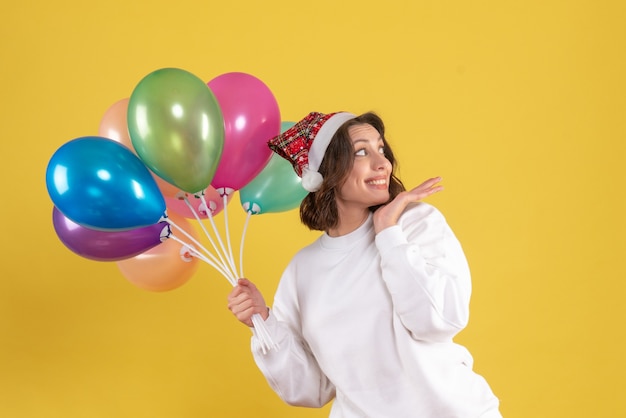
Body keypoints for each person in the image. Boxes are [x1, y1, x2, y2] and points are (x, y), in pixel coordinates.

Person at [227, 111, 501, 417]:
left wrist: (388, 234)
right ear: (325, 171)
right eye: (361, 152)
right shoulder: (302, 270)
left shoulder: (415, 225)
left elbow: (439, 320)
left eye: (381, 149)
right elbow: (309, 389)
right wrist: (262, 322)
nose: (382, 162)